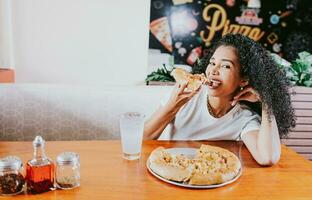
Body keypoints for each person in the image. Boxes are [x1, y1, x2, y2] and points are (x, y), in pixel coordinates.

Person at [144, 34, 296, 166]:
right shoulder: (184, 94)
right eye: (212, 63)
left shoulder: (244, 118)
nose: (213, 71)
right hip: (172, 169)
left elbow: (267, 158)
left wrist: (267, 103)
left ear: (243, 79)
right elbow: (143, 138)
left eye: (225, 66)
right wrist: (172, 106)